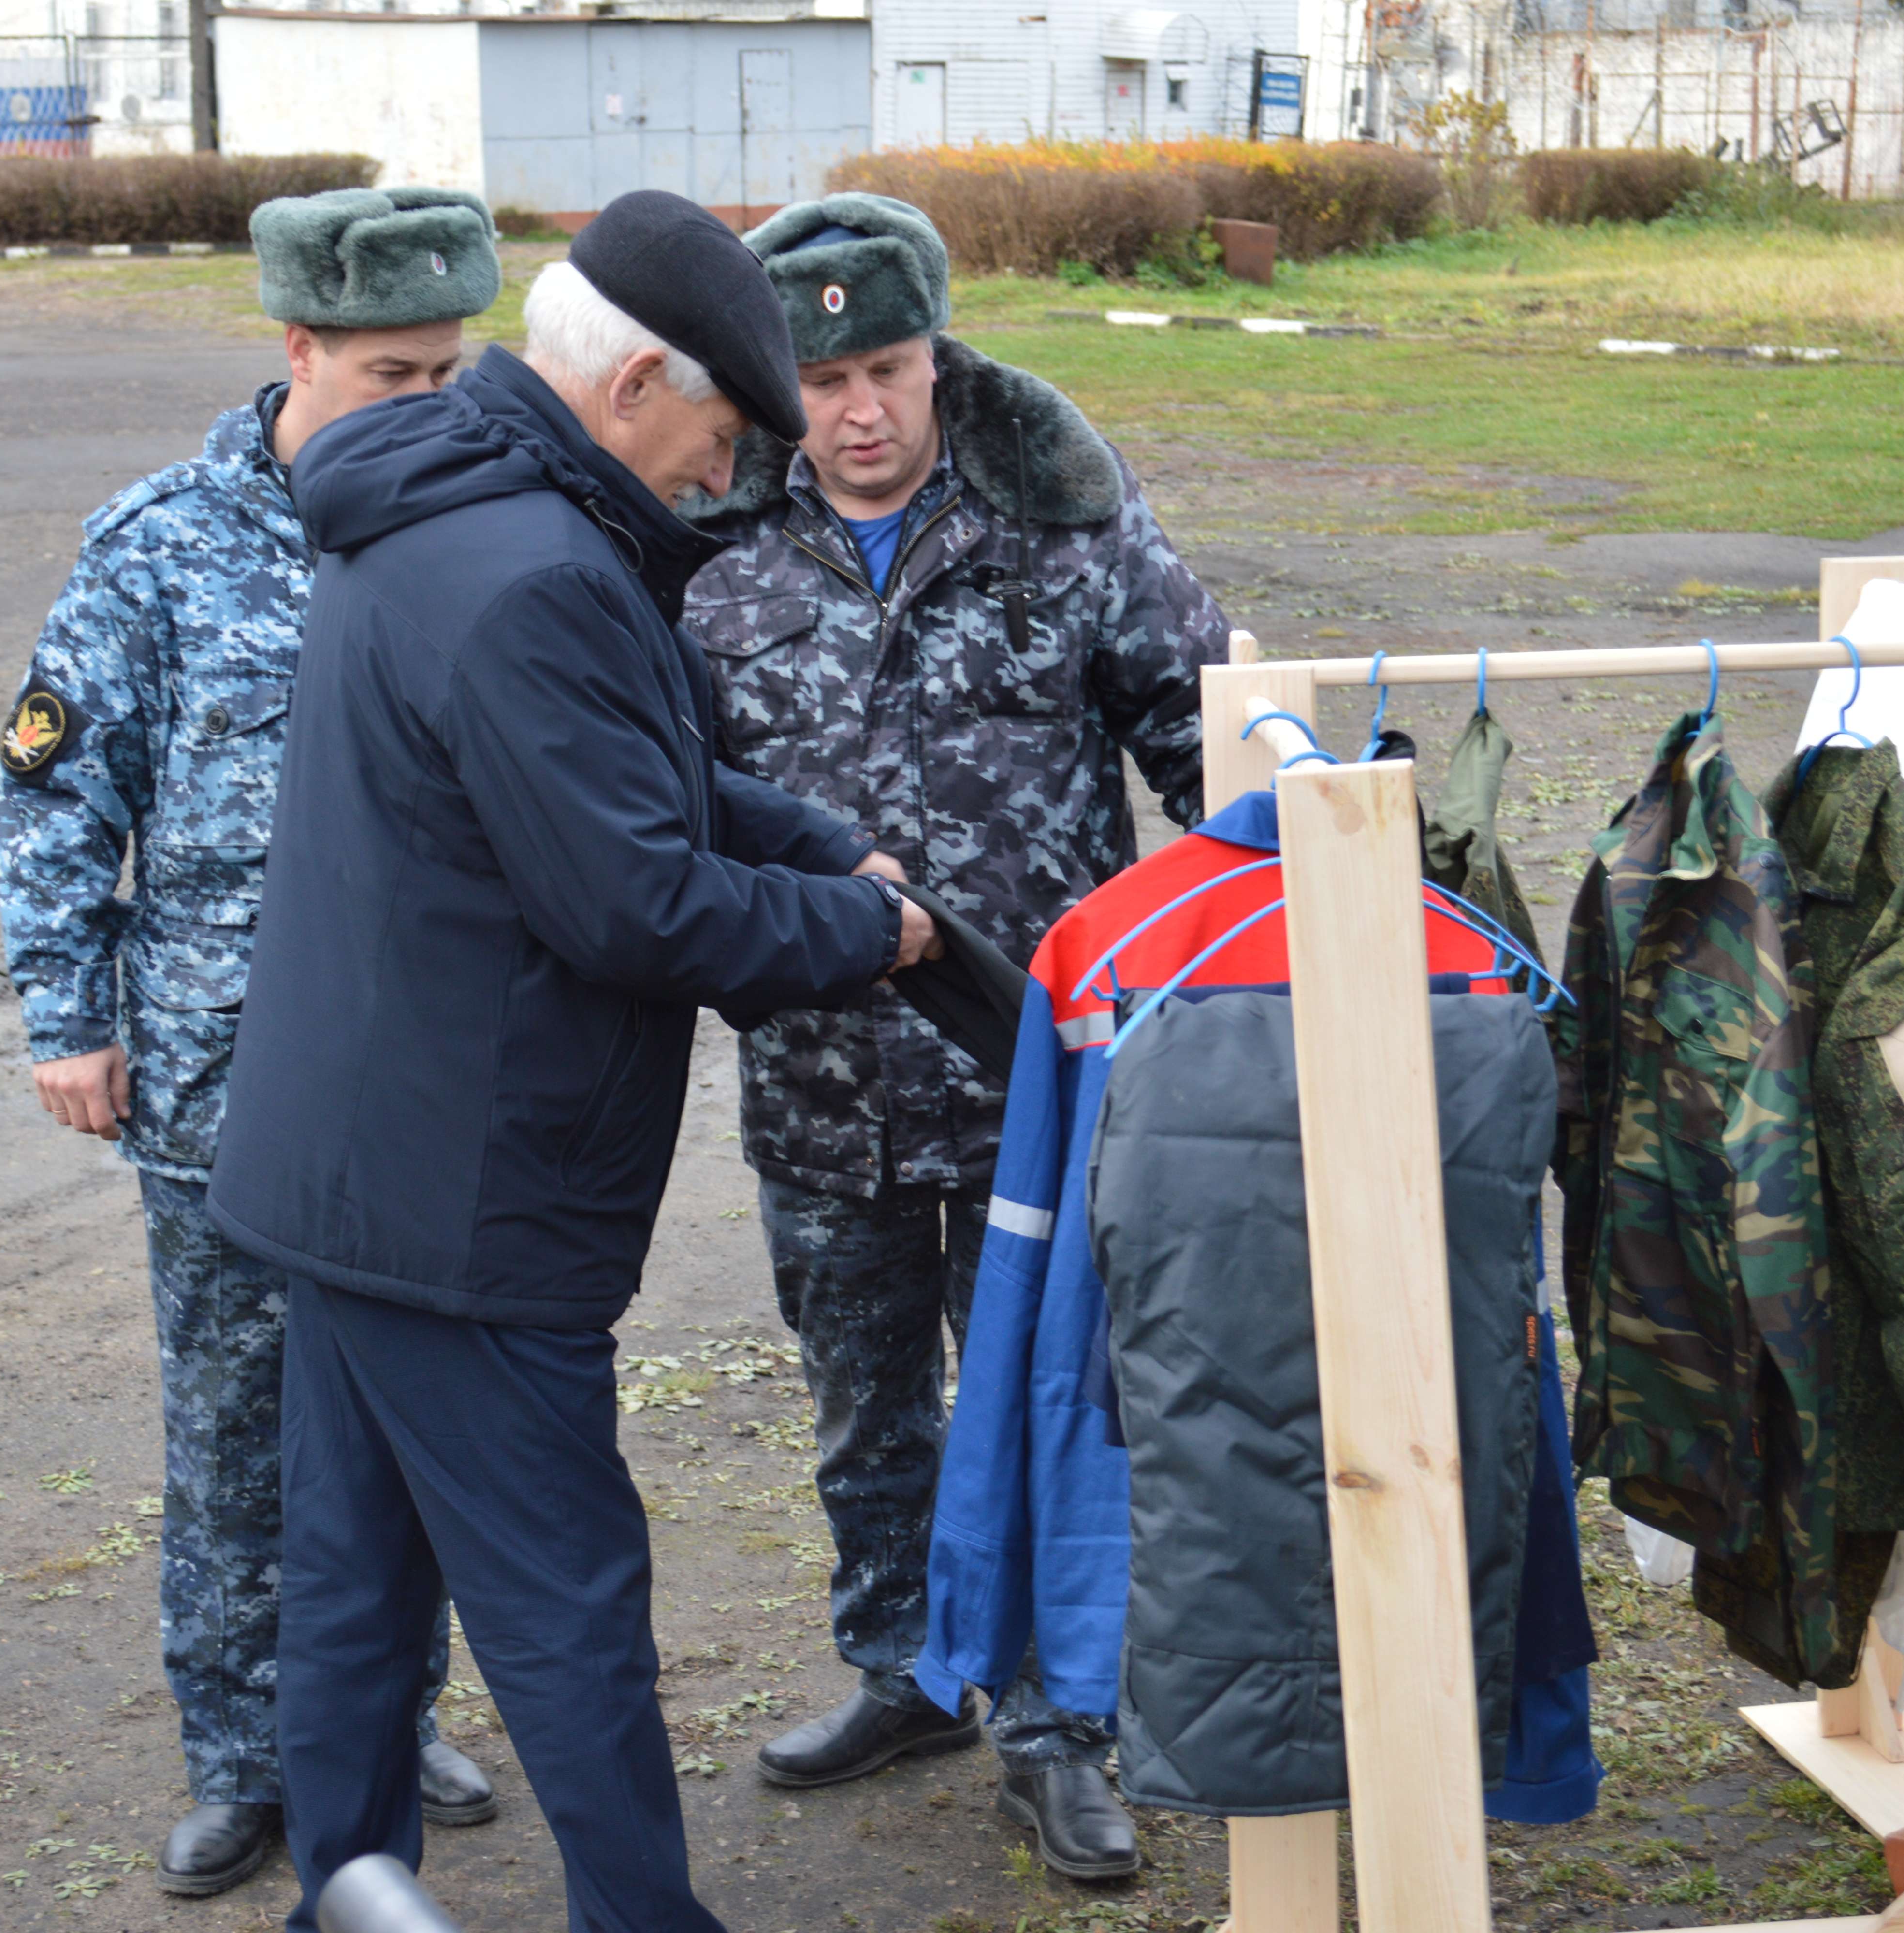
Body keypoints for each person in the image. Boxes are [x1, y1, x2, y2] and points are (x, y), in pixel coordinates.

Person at [203, 189, 940, 1933]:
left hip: (355, 1170)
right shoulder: (538, 569)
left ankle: (352, 1890)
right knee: (567, 1598)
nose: (733, 471)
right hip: (468, 1198)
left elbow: (618, 774)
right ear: (635, 391)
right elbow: (632, 902)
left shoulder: (476, 519)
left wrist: (810, 839)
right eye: (725, 429)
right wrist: (869, 929)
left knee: (361, 1578)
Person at [681, 190, 1228, 1880]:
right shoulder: (710, 550)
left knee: (1051, 1397)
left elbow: (1209, 744)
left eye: (892, 370)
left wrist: (1242, 960)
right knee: (867, 1404)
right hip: (821, 1070)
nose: (859, 413)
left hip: (1037, 1074)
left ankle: (1065, 1728)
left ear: (942, 362)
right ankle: (907, 1671)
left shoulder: (1063, 529)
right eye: (824, 377)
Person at [0, 185, 506, 1900]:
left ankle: (388, 1719)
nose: (428, 405)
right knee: (230, 1431)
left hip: (412, 1071)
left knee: (395, 1423)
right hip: (219, 1071)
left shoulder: (475, 519)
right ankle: (235, 1754)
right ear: (296, 350)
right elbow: (61, 795)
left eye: (450, 368)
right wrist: (68, 1019)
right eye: (387, 373)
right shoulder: (160, 544)